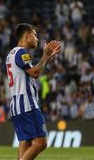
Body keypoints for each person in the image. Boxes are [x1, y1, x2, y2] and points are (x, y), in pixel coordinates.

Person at [6, 23, 61, 160]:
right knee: (41, 143)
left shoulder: (11, 54)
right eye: (35, 35)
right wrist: (45, 56)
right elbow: (35, 73)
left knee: (25, 141)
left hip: (16, 103)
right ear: (27, 35)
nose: (37, 39)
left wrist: (45, 58)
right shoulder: (21, 52)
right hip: (27, 102)